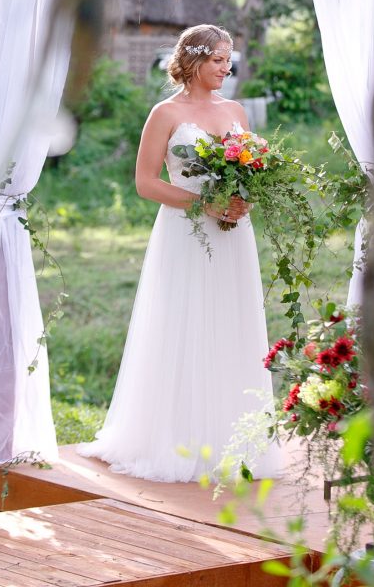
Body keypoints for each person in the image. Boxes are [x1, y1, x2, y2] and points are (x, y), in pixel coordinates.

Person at [78, 24, 282, 482]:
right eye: (217, 61)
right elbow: (145, 182)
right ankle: (174, 437)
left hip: (233, 233)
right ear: (192, 62)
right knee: (182, 322)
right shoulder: (165, 114)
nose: (226, 69)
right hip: (185, 232)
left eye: (229, 60)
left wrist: (243, 198)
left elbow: (249, 170)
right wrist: (204, 203)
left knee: (232, 324)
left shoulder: (237, 111)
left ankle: (235, 436)